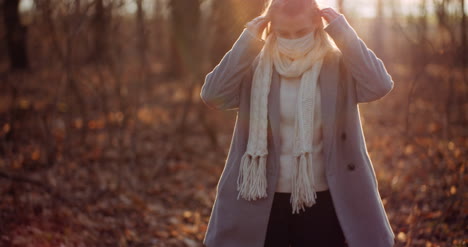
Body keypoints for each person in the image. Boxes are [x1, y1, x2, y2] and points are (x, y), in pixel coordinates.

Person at [200, 0, 396, 246]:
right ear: (271, 29)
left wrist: (342, 31)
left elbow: (380, 85)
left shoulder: (338, 67)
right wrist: (248, 38)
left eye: (301, 32)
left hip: (324, 198)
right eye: (283, 33)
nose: (293, 40)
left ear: (317, 25)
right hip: (262, 199)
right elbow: (212, 94)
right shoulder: (254, 68)